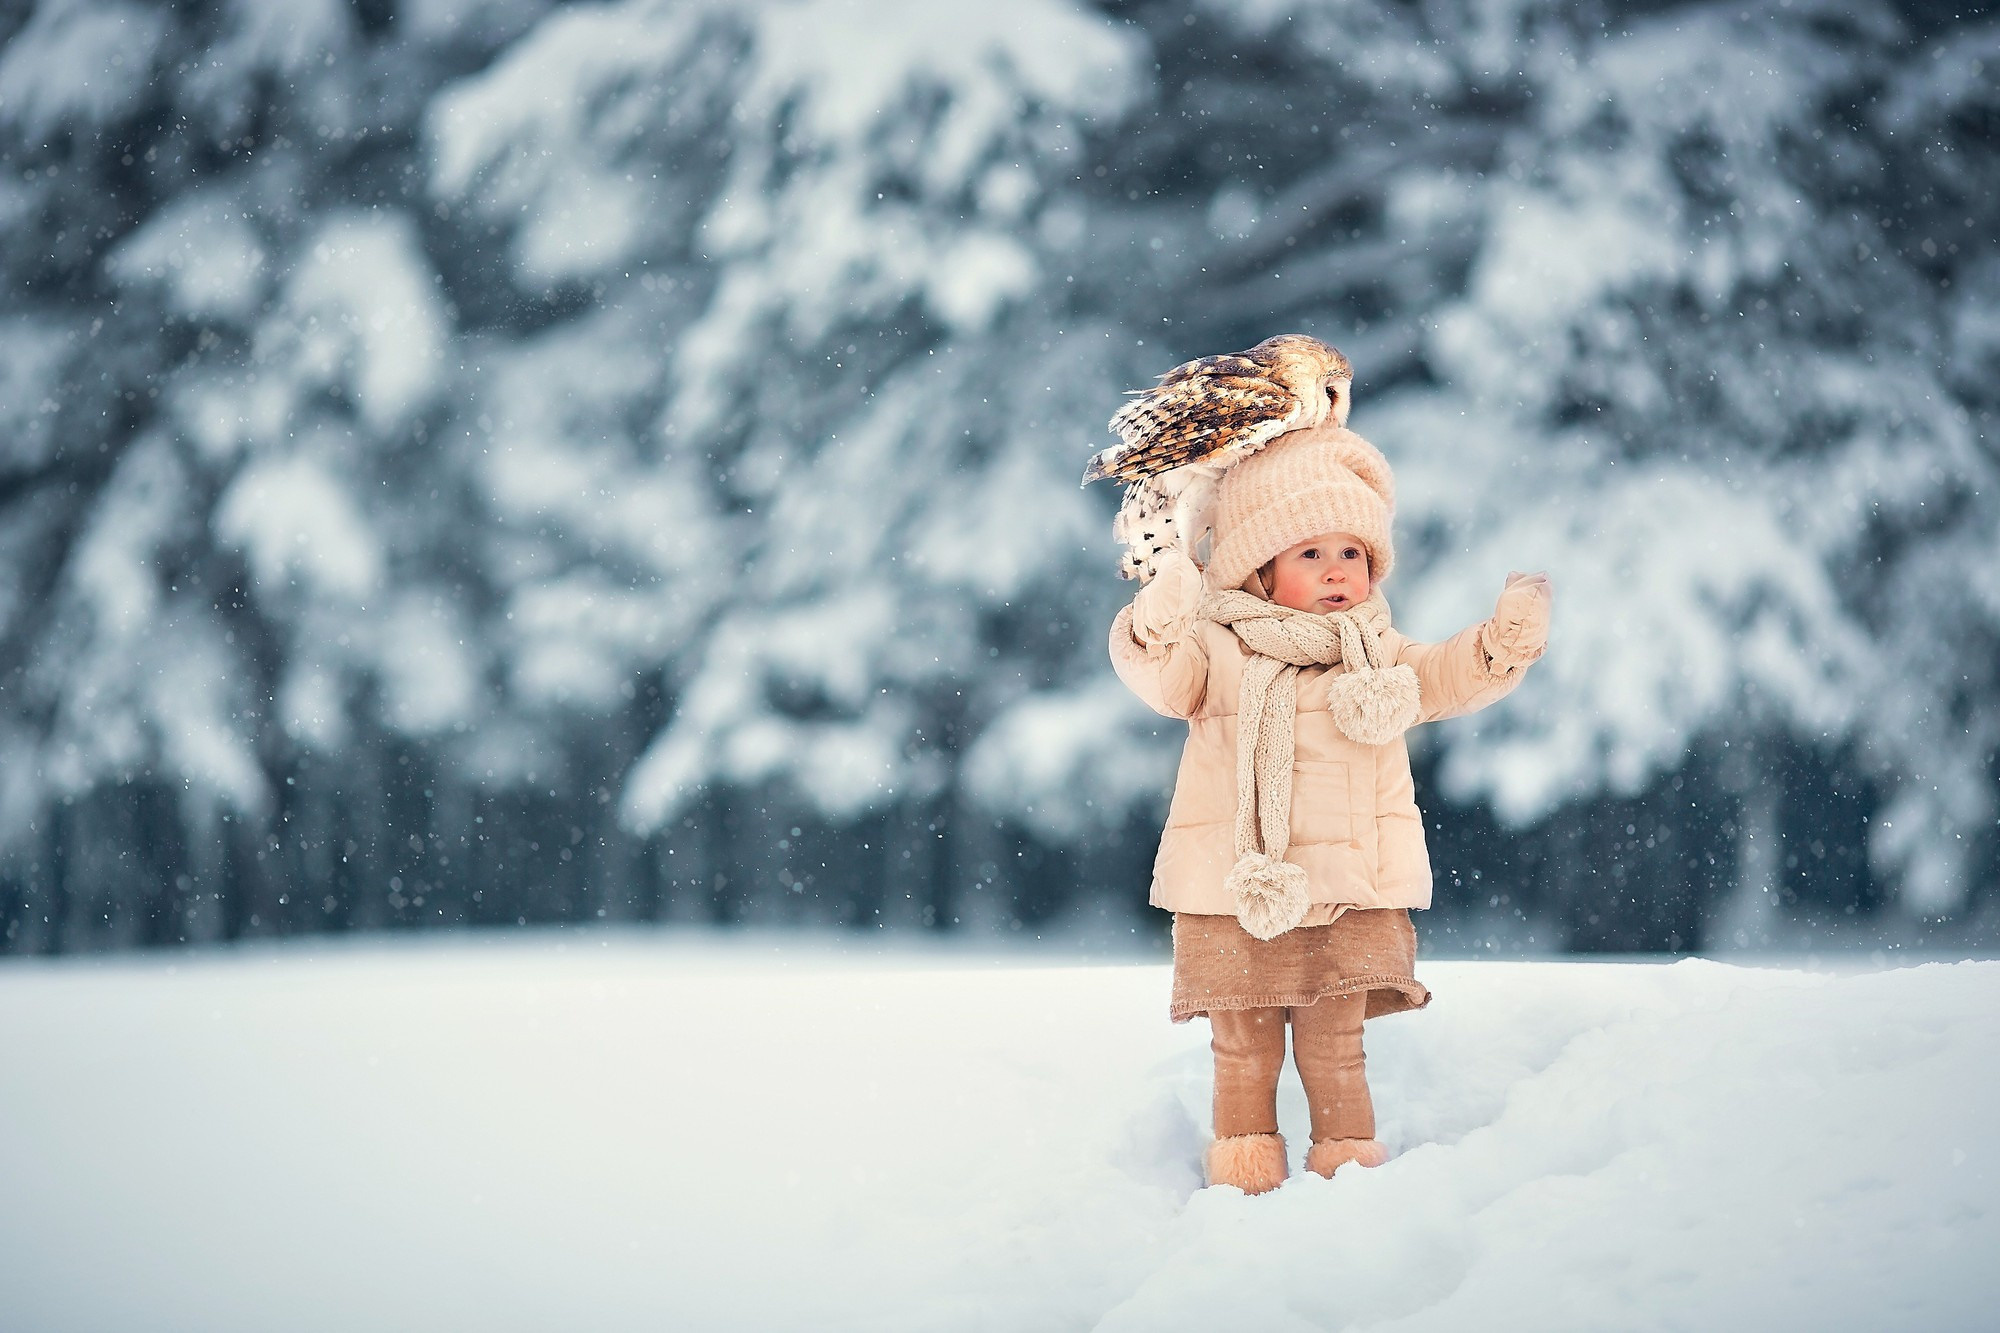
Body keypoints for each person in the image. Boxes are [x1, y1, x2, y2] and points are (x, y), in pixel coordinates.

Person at [1107, 418, 1550, 1194]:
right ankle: (1244, 1168)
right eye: (1312, 553)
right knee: (1243, 1045)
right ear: (1259, 569)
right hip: (1237, 887)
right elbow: (1160, 675)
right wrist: (1156, 623)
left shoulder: (1378, 655)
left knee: (1334, 1043)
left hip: (1346, 889)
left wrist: (1500, 644)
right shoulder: (1218, 648)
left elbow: (1448, 676)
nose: (1338, 569)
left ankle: (1348, 1163)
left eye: (1353, 553)